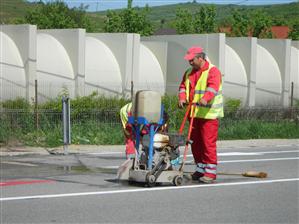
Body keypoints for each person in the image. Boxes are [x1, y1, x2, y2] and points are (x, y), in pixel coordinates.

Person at [178, 46, 224, 183]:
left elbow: (213, 87)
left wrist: (206, 98)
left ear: (201, 58)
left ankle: (210, 173)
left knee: (207, 143)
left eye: (192, 60)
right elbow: (182, 87)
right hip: (193, 113)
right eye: (189, 60)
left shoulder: (213, 71)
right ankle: (200, 169)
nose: (190, 62)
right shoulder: (188, 72)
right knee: (195, 143)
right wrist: (181, 98)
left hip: (208, 114)